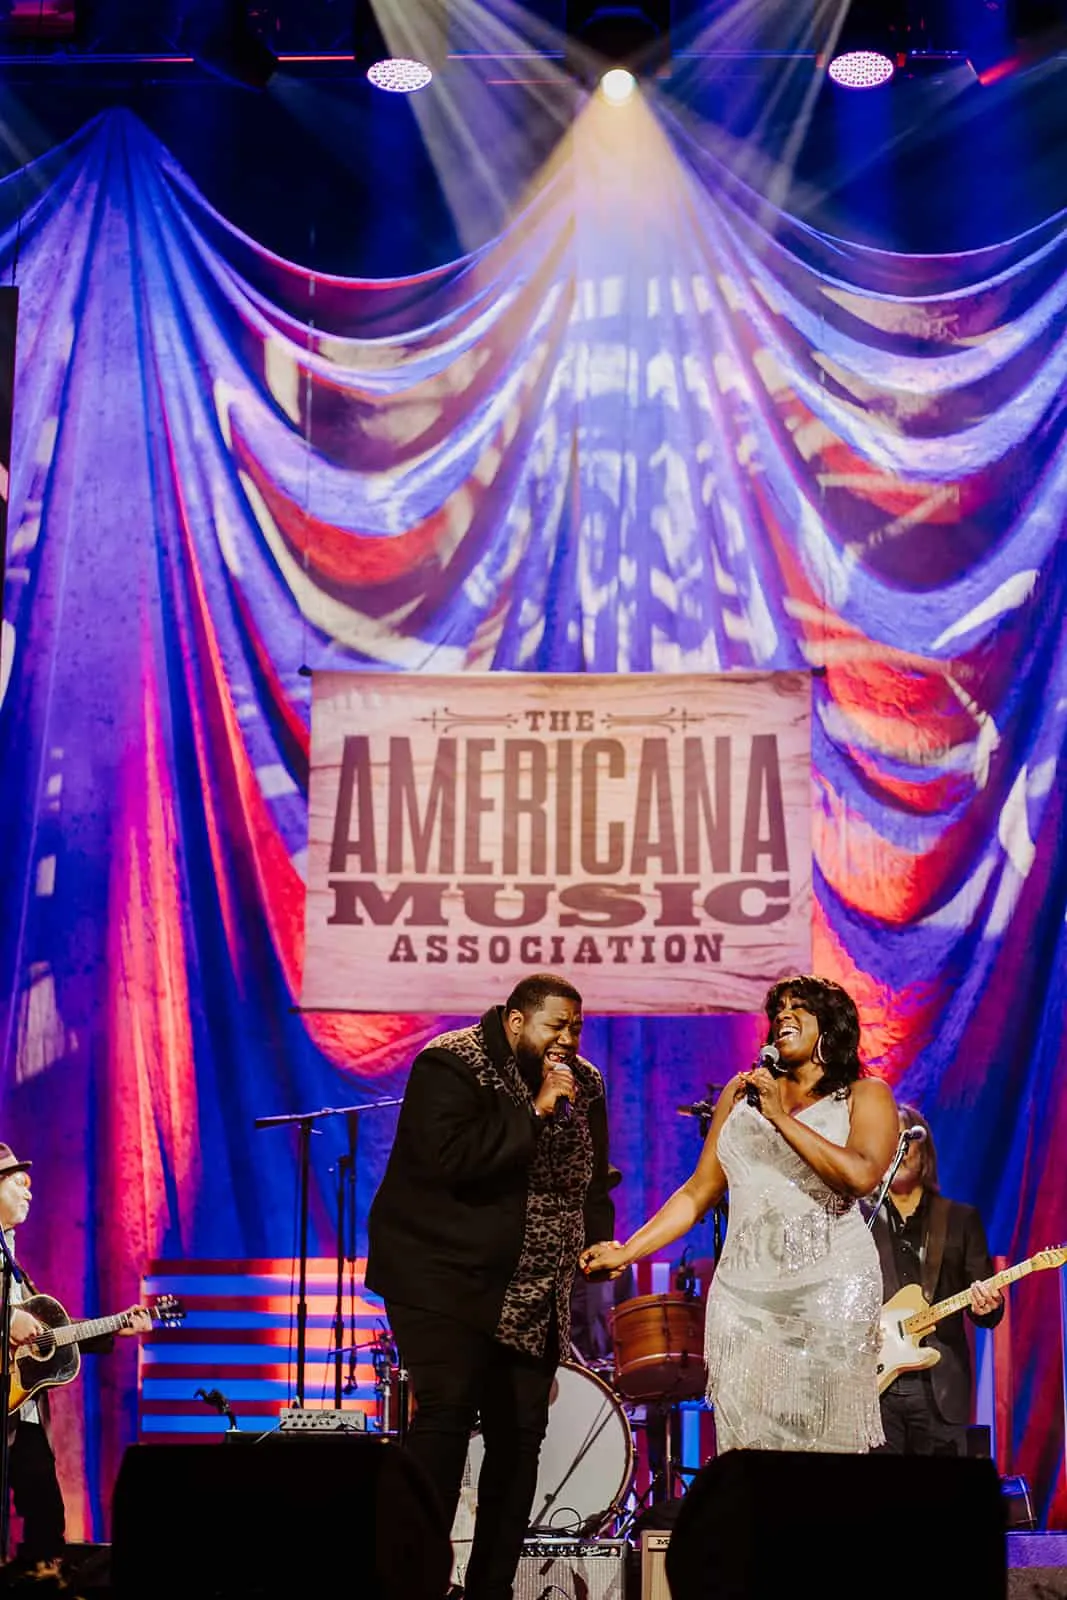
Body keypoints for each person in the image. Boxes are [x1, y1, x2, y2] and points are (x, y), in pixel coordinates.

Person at [365, 974, 615, 1600]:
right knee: (446, 1417)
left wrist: (599, 1241)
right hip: (442, 1275)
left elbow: (592, 1179)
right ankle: (413, 1582)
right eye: (555, 1026)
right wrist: (535, 1112)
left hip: (533, 1289)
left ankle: (490, 1590)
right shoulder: (452, 1064)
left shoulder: (585, 1084)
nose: (568, 1040)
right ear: (515, 1021)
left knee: (521, 1437)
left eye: (576, 1027)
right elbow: (452, 1162)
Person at [581, 974, 899, 1453]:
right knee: (748, 1449)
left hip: (830, 1291)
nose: (784, 1014)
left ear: (830, 1025)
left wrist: (780, 1117)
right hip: (745, 1297)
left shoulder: (864, 1094)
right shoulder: (741, 1093)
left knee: (826, 1451)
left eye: (799, 1006)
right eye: (779, 1009)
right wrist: (628, 1251)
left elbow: (858, 1176)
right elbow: (698, 1192)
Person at [0, 1143, 151, 1574]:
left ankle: (38, 1583)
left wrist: (113, 1327)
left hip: (22, 1409)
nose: (29, 1192)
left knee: (46, 1518)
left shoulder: (13, 1262)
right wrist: (6, 1317)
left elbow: (49, 1334)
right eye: (19, 1182)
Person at [870, 1104, 1003, 1455]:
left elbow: (987, 1309)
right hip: (873, 1387)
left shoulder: (960, 1219)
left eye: (906, 1139)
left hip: (939, 1387)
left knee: (938, 1489)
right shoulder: (857, 1221)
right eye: (888, 1139)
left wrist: (988, 1304)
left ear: (924, 1149)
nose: (898, 1149)